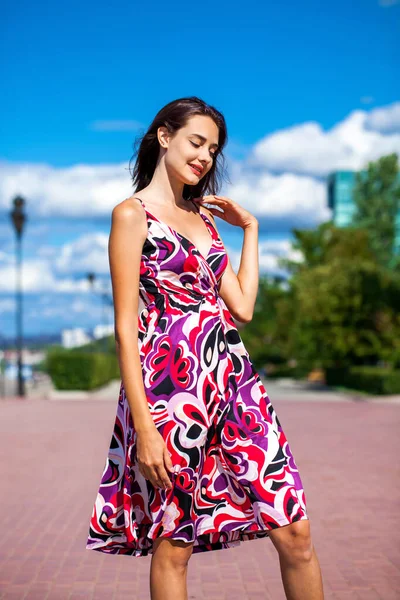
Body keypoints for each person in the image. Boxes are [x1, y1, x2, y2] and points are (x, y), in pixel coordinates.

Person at [86, 96, 325, 600]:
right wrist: (145, 428)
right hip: (172, 395)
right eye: (197, 142)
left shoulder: (206, 219)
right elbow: (125, 328)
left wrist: (252, 230)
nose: (205, 157)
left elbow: (242, 307)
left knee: (296, 533)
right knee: (175, 545)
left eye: (213, 150)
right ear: (164, 136)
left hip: (237, 386)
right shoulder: (131, 216)